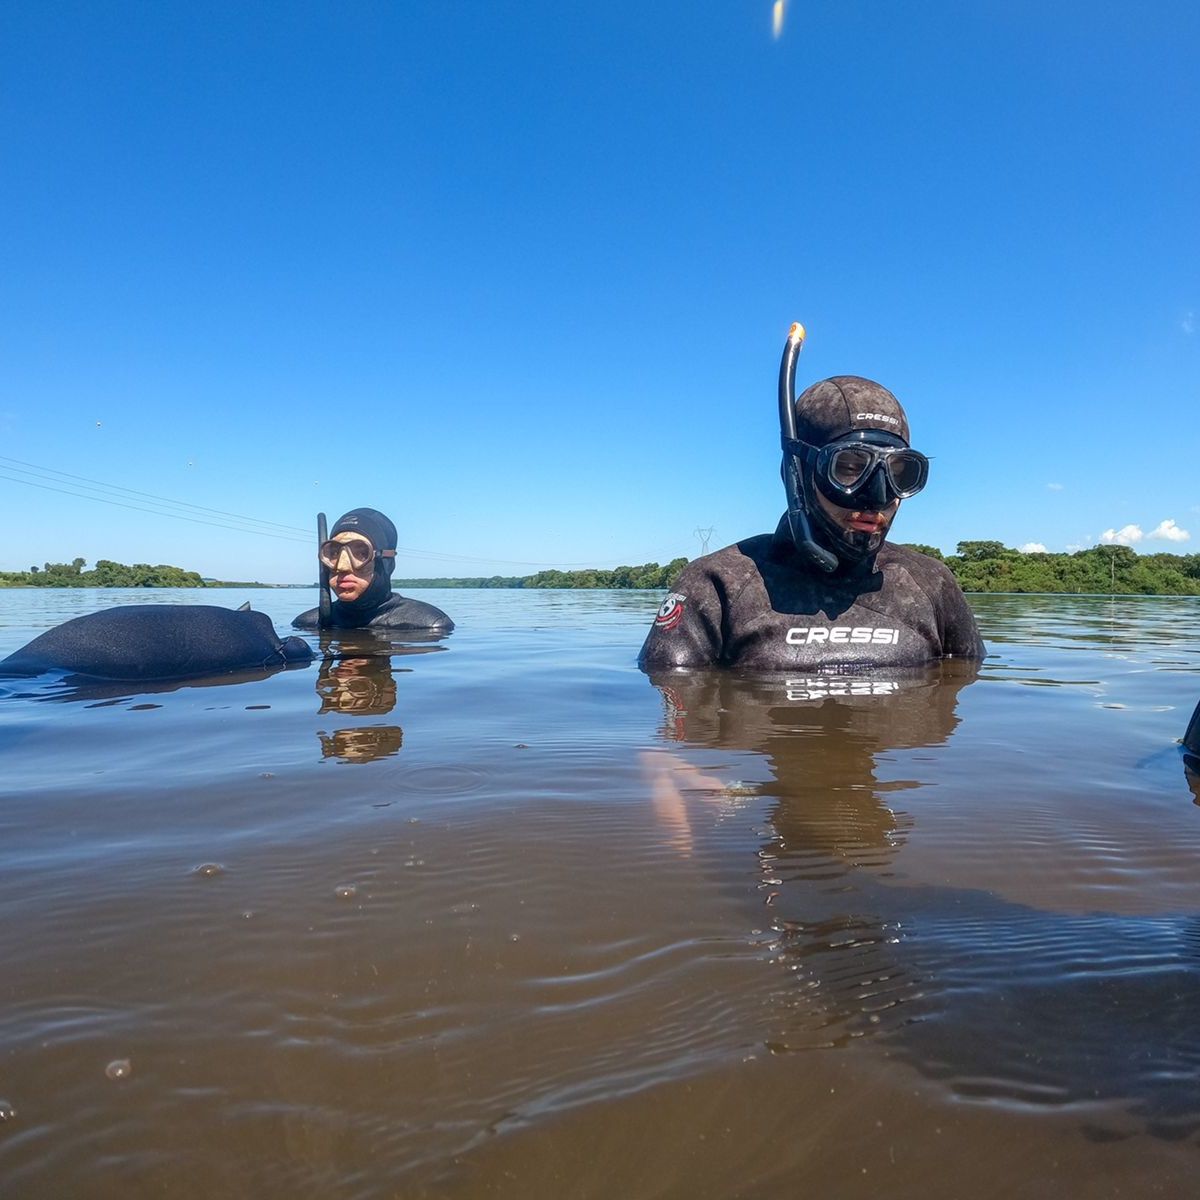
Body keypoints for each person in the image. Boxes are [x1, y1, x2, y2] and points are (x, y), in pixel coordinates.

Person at [638, 325, 984, 670]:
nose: (877, 497)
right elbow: (675, 705)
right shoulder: (716, 585)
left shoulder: (932, 584)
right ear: (799, 474)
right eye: (849, 468)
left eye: (898, 473)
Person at [292, 507, 454, 633]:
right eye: (333, 553)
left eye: (362, 553)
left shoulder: (430, 625)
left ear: (386, 563)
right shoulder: (308, 624)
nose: (342, 566)